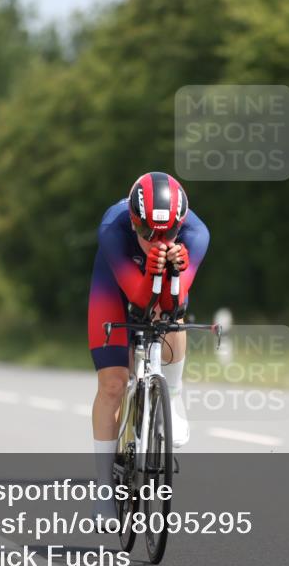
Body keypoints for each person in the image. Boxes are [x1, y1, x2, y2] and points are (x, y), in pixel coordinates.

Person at [88, 172, 209, 521]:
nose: (156, 239)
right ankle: (103, 490)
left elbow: (172, 305)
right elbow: (138, 299)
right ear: (133, 222)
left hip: (164, 293)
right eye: (146, 233)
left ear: (180, 226)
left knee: (171, 318)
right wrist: (154, 266)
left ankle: (172, 394)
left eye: (168, 233)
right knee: (112, 383)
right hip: (114, 286)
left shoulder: (197, 234)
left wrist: (172, 276)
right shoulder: (114, 228)